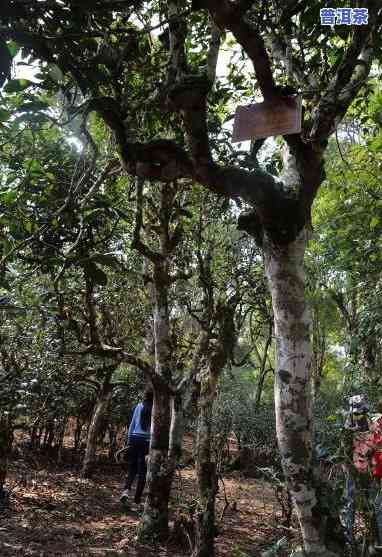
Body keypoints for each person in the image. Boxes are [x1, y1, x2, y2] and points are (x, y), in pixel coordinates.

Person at [342, 395, 382, 554]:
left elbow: (378, 447)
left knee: (378, 507)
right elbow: (344, 451)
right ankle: (348, 540)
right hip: (353, 472)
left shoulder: (374, 425)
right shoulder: (347, 426)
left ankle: (379, 541)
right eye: (355, 412)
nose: (358, 415)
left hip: (370, 473)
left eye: (361, 412)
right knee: (349, 504)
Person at [120, 389, 153, 508]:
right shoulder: (156, 408)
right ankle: (137, 500)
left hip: (134, 438)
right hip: (147, 441)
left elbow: (132, 424)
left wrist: (128, 441)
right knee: (143, 472)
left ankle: (126, 491)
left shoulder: (138, 406)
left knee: (132, 468)